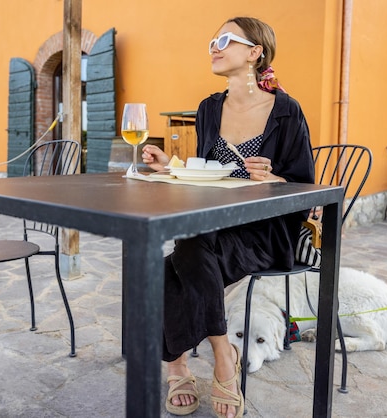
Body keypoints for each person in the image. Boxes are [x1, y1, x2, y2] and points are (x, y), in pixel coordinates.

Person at [142, 17, 314, 418]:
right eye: (211, 42)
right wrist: (172, 166)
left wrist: (274, 178)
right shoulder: (208, 108)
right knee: (177, 256)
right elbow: (205, 174)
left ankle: (185, 365)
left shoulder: (286, 111)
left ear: (255, 53)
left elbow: (305, 188)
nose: (214, 48)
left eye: (224, 40)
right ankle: (220, 353)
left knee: (178, 256)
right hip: (214, 227)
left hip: (266, 232)